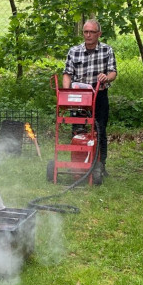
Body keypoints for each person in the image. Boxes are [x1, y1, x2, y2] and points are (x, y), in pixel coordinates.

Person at [62, 19, 117, 174]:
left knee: (100, 130)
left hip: (99, 95)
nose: (88, 35)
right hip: (79, 96)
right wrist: (67, 93)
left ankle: (100, 165)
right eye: (85, 32)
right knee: (78, 129)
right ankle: (78, 165)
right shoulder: (74, 51)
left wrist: (107, 77)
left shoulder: (107, 50)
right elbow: (67, 74)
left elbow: (113, 72)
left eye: (92, 32)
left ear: (99, 34)